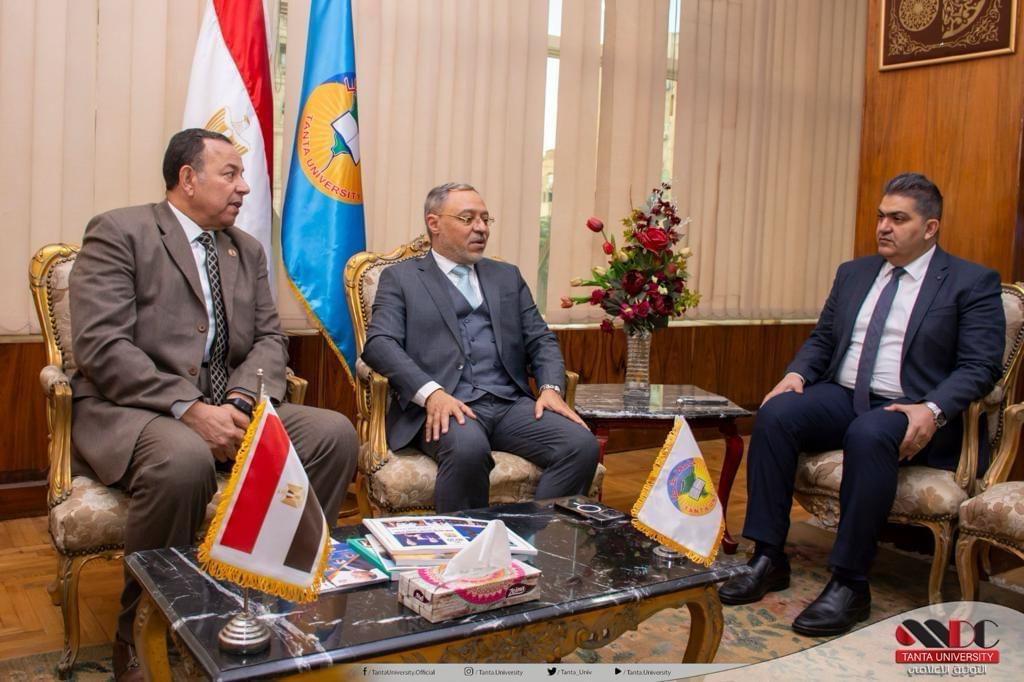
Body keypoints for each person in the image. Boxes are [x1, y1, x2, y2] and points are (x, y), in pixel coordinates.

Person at [70, 128, 358, 680]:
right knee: (183, 460)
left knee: (333, 434)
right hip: (138, 408)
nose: (244, 187)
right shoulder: (121, 232)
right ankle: (141, 627)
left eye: (242, 175)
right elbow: (102, 346)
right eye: (230, 174)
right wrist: (189, 407)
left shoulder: (245, 249)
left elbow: (270, 339)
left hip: (231, 401)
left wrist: (243, 399)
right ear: (187, 178)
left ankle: (266, 596)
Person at [718, 172, 1005, 636]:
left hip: (909, 406)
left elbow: (980, 366)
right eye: (881, 216)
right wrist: (795, 375)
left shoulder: (970, 282)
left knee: (868, 432)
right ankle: (768, 556)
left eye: (898, 218)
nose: (883, 227)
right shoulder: (854, 273)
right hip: (845, 394)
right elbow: (823, 338)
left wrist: (931, 409)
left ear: (930, 228)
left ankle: (850, 584)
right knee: (774, 414)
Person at [362, 182, 599, 512]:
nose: (481, 228)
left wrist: (550, 389)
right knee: (467, 450)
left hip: (509, 405)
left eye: (485, 219)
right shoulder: (401, 278)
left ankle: (537, 535)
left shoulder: (507, 276)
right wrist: (431, 393)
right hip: (445, 405)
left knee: (581, 445)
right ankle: (468, 542)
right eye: (468, 218)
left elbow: (540, 339)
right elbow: (380, 343)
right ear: (434, 223)